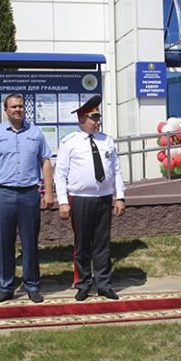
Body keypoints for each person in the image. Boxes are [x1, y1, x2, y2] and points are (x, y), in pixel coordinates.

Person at [0, 93, 54, 304]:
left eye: (20, 106)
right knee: (4, 242)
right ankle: (6, 287)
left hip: (29, 193)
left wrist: (49, 192)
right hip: (2, 193)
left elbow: (45, 162)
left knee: (30, 242)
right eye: (13, 106)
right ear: (5, 110)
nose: (18, 110)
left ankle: (32, 285)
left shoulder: (35, 132)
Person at [54, 96, 126, 301]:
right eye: (93, 118)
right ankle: (83, 284)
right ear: (82, 119)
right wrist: (63, 201)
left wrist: (120, 196)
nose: (97, 121)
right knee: (83, 244)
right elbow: (60, 174)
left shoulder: (107, 141)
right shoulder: (69, 142)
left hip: (103, 197)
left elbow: (116, 170)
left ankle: (104, 284)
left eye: (98, 117)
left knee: (103, 243)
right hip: (80, 199)